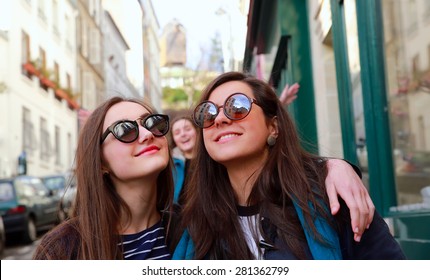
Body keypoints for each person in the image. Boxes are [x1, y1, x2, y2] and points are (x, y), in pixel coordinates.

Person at [174, 71, 406, 260]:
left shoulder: (330, 197)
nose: (220, 119)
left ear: (273, 127)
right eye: (208, 112)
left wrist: (331, 167)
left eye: (237, 106)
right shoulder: (196, 223)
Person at [33, 96, 175, 259]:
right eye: (125, 130)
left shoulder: (194, 229)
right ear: (100, 161)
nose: (147, 134)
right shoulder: (60, 251)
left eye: (152, 122)